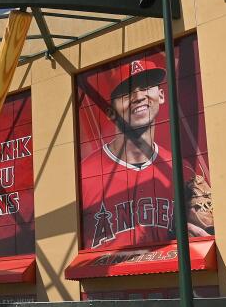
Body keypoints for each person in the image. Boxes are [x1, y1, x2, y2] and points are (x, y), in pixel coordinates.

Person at [80, 59, 213, 249]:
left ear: (160, 95)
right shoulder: (83, 174)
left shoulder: (181, 169)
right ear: (110, 112)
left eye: (146, 86)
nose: (139, 96)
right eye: (127, 92)